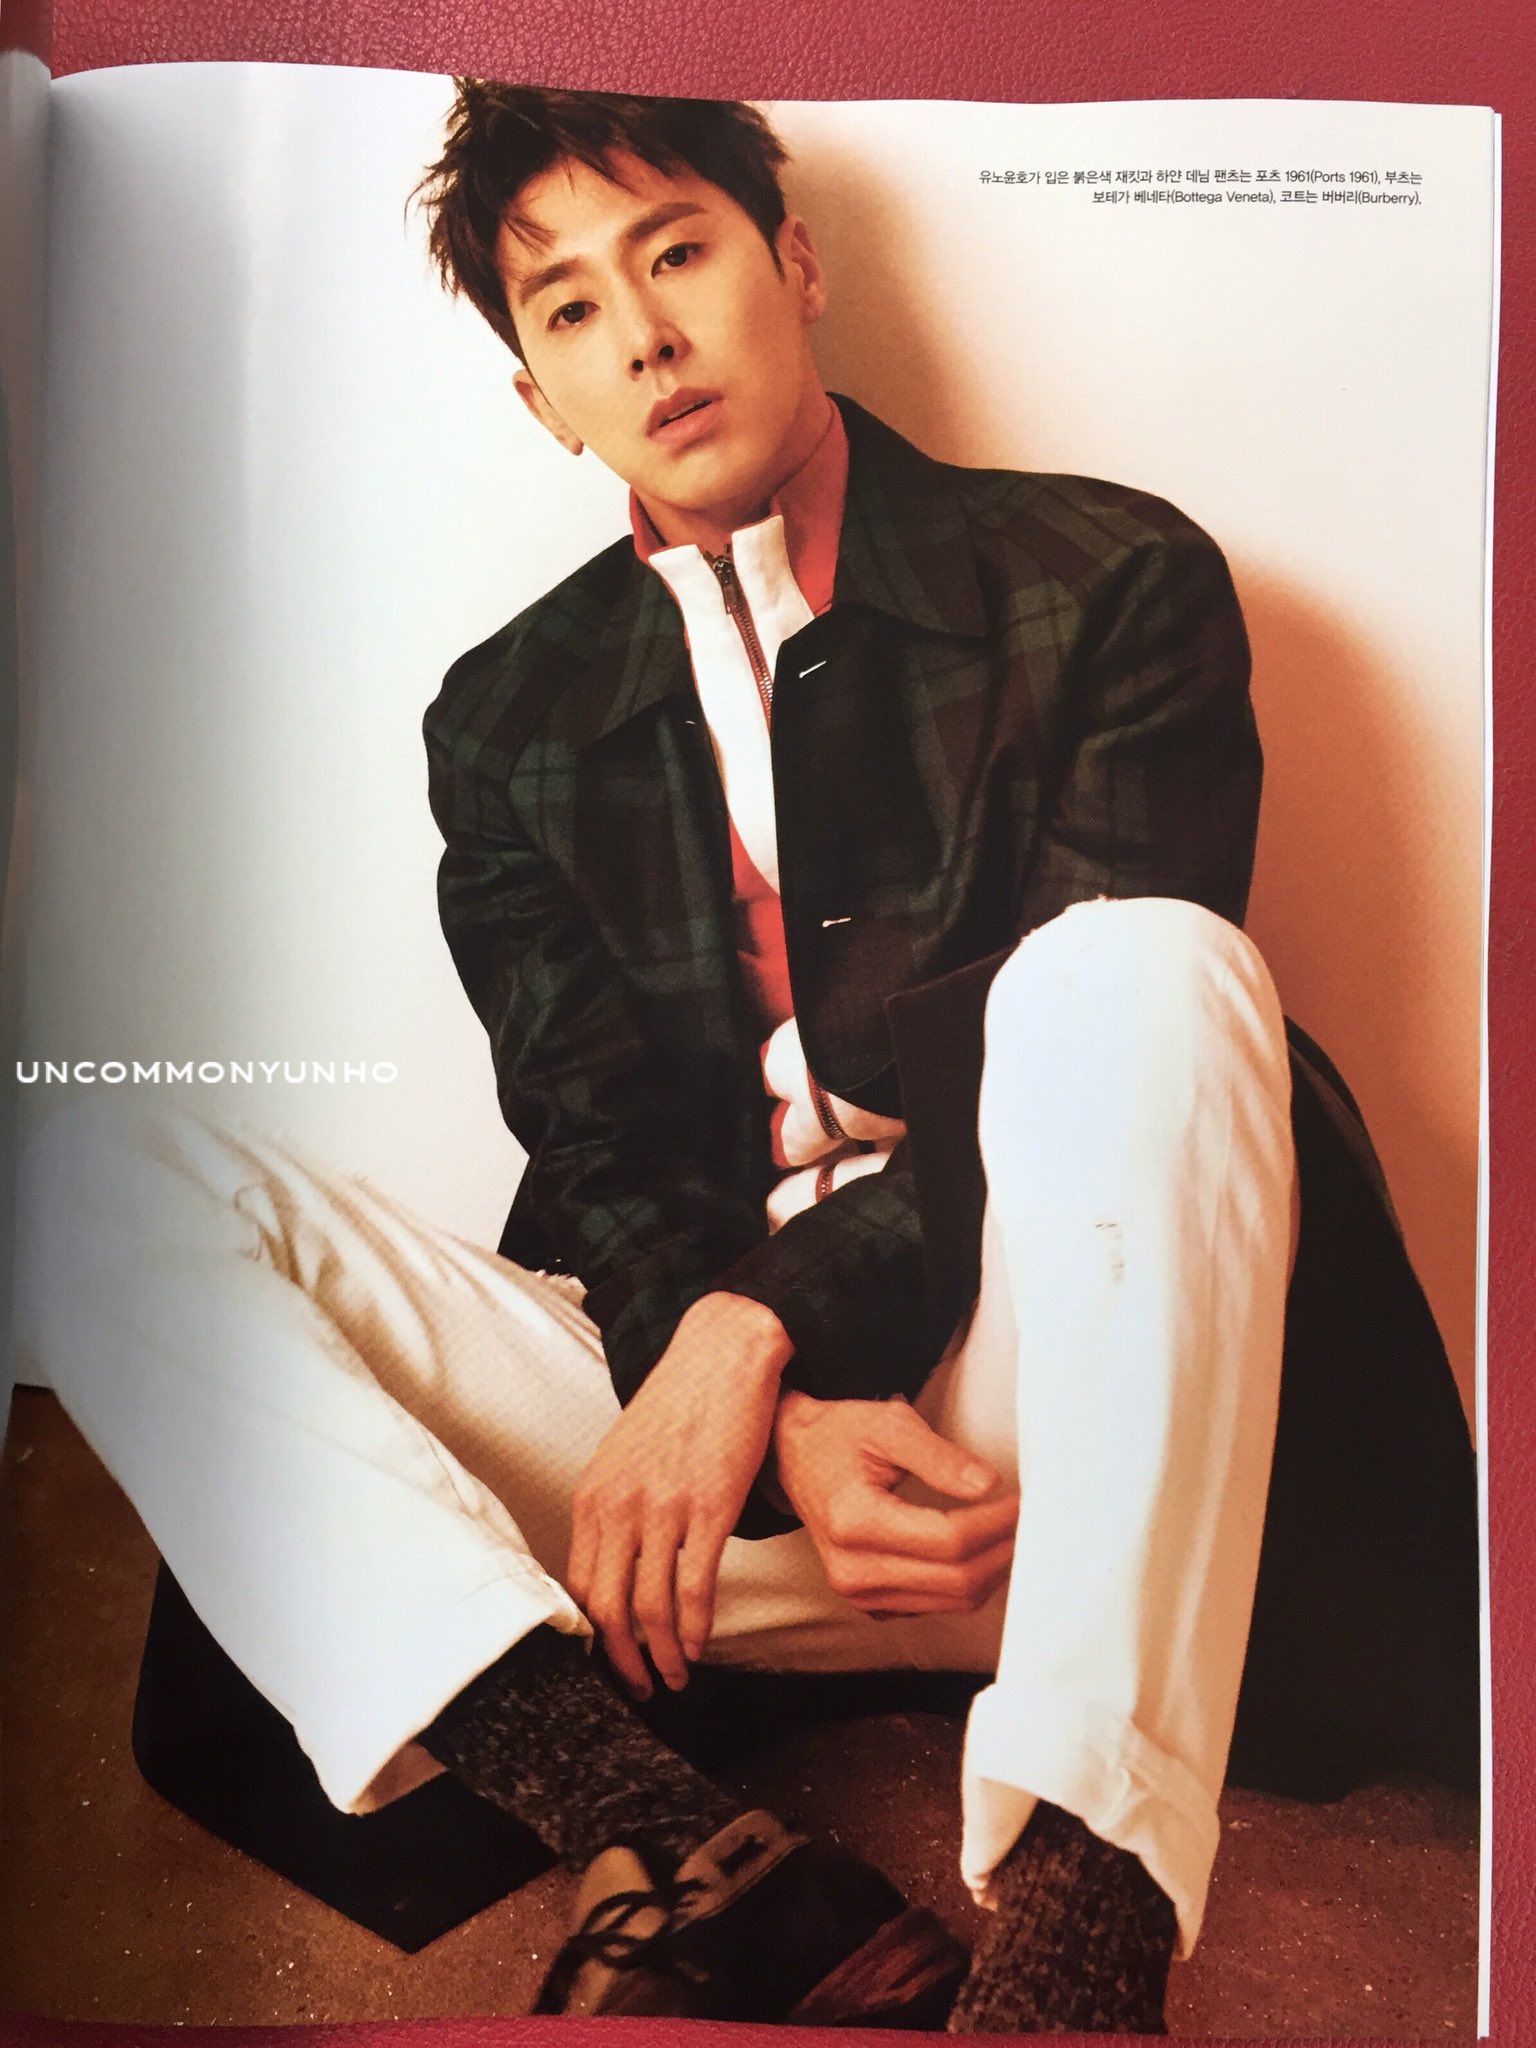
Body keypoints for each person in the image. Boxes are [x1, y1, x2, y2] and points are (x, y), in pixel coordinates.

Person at [16, 81, 1478, 2035]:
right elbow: (598, 1140)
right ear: (540, 396)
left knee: (1147, 966)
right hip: (741, 1522)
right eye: (569, 306)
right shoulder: (509, 721)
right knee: (77, 1164)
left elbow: (1083, 1099)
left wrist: (754, 1328)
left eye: (678, 251)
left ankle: (1081, 1947)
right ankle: (671, 1837)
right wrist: (751, 1406)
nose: (642, 334)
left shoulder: (1106, 578)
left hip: (1070, 1448)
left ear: (793, 264)